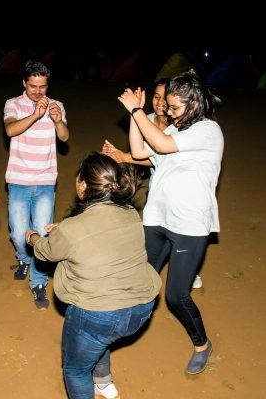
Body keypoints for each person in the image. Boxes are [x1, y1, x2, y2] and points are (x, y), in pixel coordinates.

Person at [26, 152, 161, 399]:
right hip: (142, 307)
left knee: (76, 369)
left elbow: (45, 252)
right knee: (101, 339)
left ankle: (95, 382)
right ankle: (104, 382)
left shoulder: (71, 229)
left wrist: (33, 236)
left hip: (99, 315)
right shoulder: (131, 213)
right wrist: (64, 231)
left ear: (83, 185)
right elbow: (100, 234)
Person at [118, 70, 223, 374]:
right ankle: (125, 327)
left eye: (175, 108)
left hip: (189, 226)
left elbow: (161, 145)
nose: (168, 112)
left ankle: (202, 343)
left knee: (176, 295)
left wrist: (138, 111)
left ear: (194, 104)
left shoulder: (208, 131)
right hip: (157, 219)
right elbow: (139, 151)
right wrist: (133, 116)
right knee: (143, 280)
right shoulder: (176, 131)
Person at [103, 79, 204, 290]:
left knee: (181, 228)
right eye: (156, 96)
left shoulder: (181, 123)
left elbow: (160, 153)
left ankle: (188, 269)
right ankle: (149, 273)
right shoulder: (146, 119)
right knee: (156, 227)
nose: (160, 102)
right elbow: (144, 152)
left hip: (183, 188)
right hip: (158, 183)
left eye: (164, 98)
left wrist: (125, 157)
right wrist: (122, 154)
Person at [4, 60, 69, 309]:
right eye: (33, 86)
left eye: (42, 86)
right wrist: (34, 115)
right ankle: (23, 258)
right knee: (18, 233)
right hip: (19, 179)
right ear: (24, 83)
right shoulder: (13, 104)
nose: (38, 91)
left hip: (45, 180)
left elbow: (64, 136)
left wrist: (58, 121)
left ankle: (39, 282)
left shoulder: (57, 105)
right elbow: (10, 130)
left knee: (42, 235)